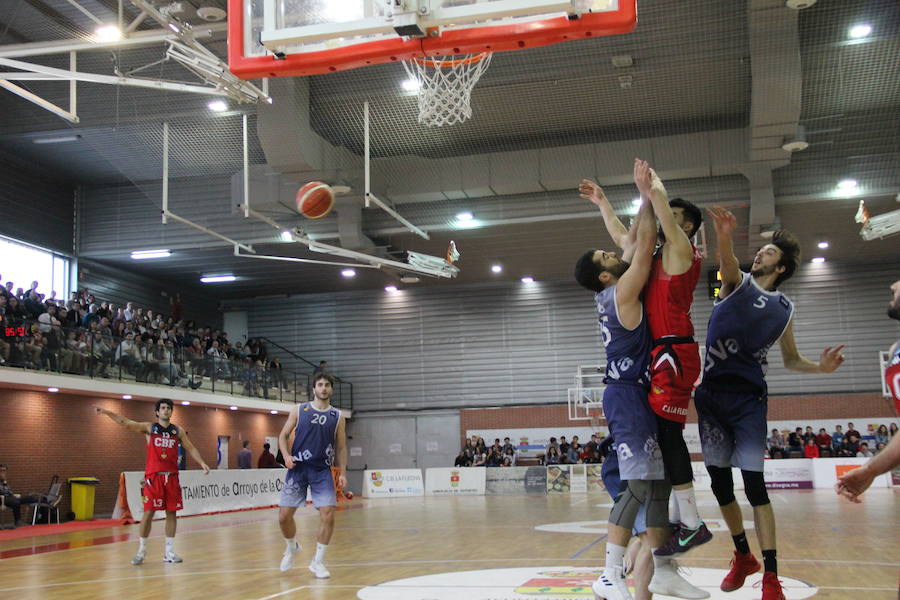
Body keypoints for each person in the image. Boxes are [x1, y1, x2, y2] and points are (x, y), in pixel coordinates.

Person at [696, 207, 845, 600]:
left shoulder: (785, 309)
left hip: (747, 400)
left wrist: (822, 369)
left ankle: (772, 576)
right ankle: (743, 556)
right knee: (719, 484)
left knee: (754, 485)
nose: (760, 254)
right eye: (760, 250)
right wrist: (723, 234)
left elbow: (792, 360)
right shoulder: (735, 285)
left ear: (782, 267)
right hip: (710, 395)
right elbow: (726, 262)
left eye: (768, 252)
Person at [576, 160, 707, 600]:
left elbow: (625, 238)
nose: (614, 251)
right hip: (626, 396)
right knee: (636, 487)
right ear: (606, 275)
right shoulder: (622, 291)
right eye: (608, 258)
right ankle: (610, 573)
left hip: (638, 390)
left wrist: (603, 202)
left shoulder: (615, 284)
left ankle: (660, 571)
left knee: (657, 486)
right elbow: (644, 237)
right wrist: (648, 193)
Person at [96, 399, 210, 565]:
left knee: (172, 513)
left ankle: (169, 552)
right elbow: (126, 423)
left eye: (168, 408)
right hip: (153, 478)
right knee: (148, 513)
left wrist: (202, 463)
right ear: (157, 412)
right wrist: (107, 413)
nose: (166, 410)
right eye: (163, 408)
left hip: (171, 477)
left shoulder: (177, 431)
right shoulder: (150, 428)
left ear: (171, 412)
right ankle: (141, 551)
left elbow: (190, 447)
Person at [277, 372, 347, 579]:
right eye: (320, 384)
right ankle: (292, 547)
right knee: (283, 517)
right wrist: (286, 456)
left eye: (327, 385)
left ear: (331, 389)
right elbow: (282, 436)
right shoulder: (299, 409)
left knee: (328, 514)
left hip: (322, 470)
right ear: (313, 388)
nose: (323, 388)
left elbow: (341, 447)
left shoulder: (338, 416)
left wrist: (342, 471)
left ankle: (318, 562)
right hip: (297, 468)